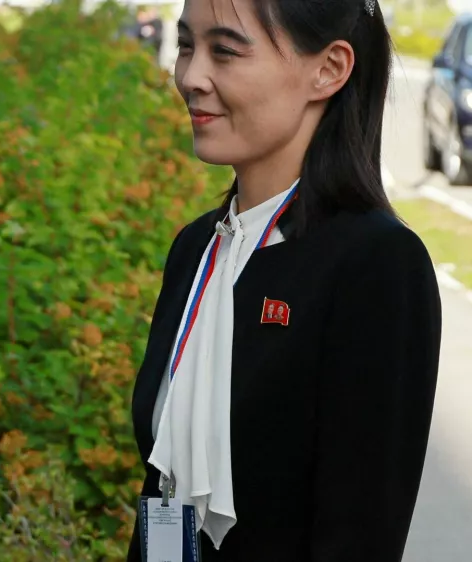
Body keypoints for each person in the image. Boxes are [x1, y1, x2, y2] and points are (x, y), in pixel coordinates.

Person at [127, 1, 442, 561]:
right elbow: (165, 497)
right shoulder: (198, 249)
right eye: (185, 47)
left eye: (224, 50)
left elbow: (360, 536)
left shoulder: (377, 266)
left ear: (328, 69)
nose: (191, 77)